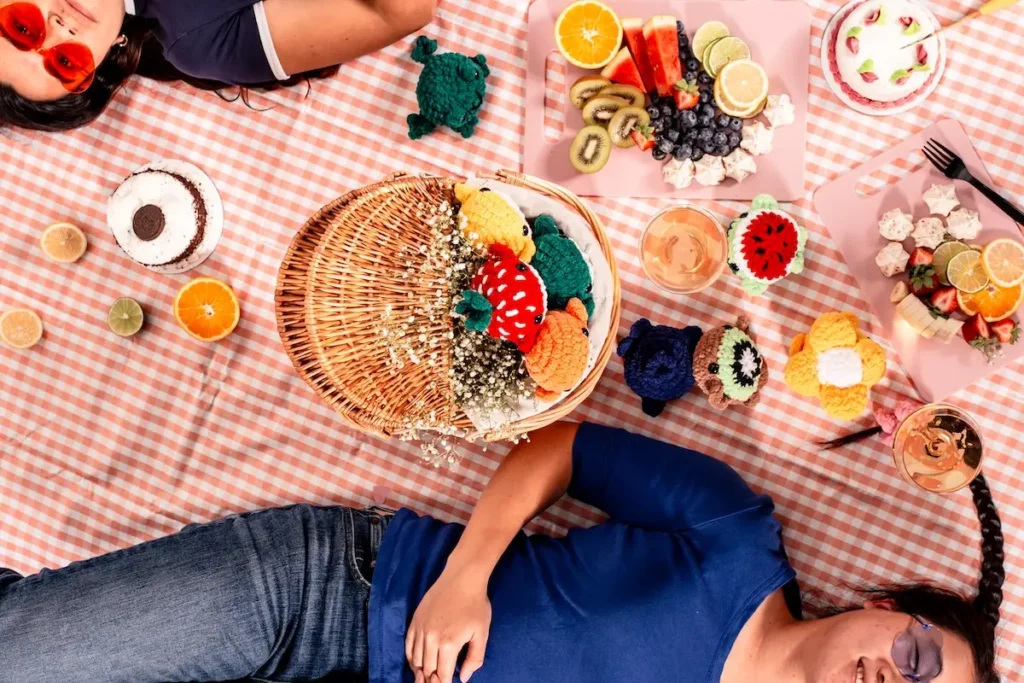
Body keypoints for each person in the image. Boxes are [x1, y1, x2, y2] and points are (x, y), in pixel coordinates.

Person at [0, 421, 1005, 683]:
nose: (891, 679)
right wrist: (466, 575)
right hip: (334, 594)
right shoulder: (735, 535)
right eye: (918, 656)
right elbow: (563, 449)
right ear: (887, 607)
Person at [0, 0, 436, 131]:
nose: (58, 30)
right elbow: (402, 11)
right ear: (106, 58)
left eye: (22, 28)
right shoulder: (200, 41)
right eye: (64, 63)